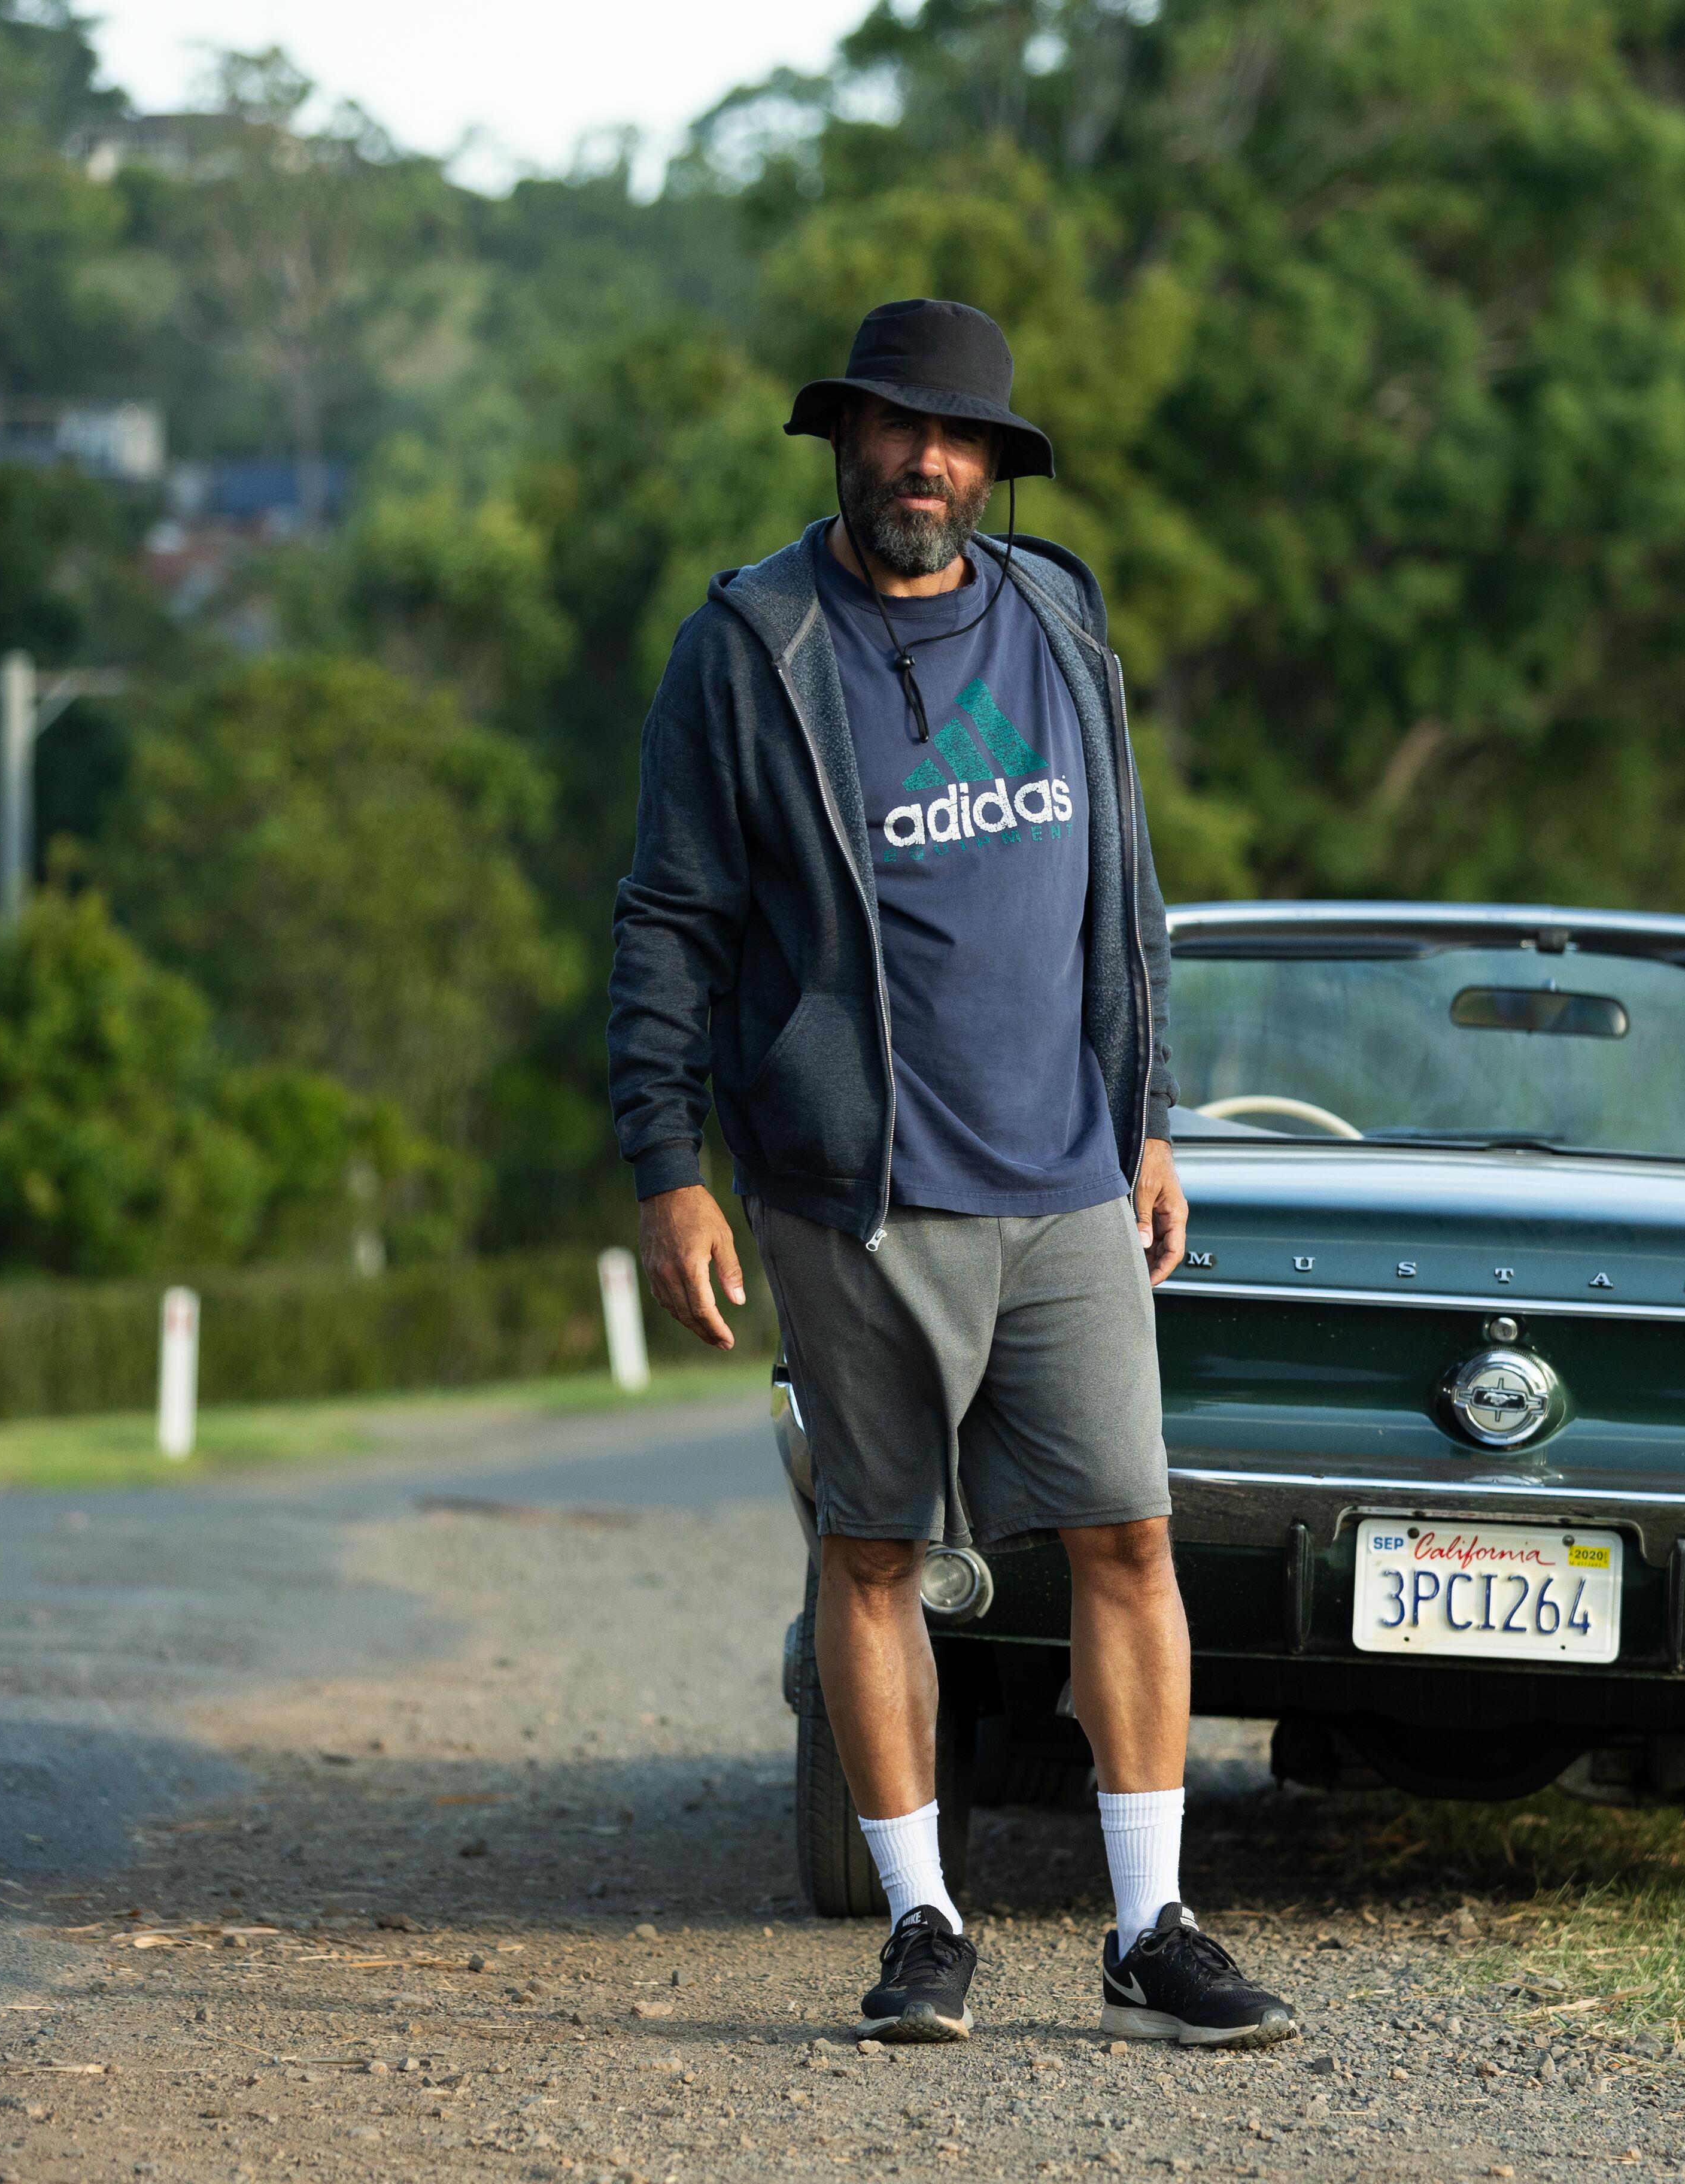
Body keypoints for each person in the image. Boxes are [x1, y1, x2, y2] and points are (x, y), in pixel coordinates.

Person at [606, 298, 1298, 2052]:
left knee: (1129, 1538)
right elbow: (670, 919)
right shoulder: (753, 646)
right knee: (874, 1550)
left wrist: (1145, 1118)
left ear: (992, 462)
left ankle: (1153, 1923)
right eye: (898, 429)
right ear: (843, 438)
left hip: (1066, 1170)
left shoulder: (1059, 614)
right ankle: (922, 1918)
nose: (927, 462)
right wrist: (665, 1168)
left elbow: (1123, 893)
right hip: (857, 1188)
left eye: (959, 437)